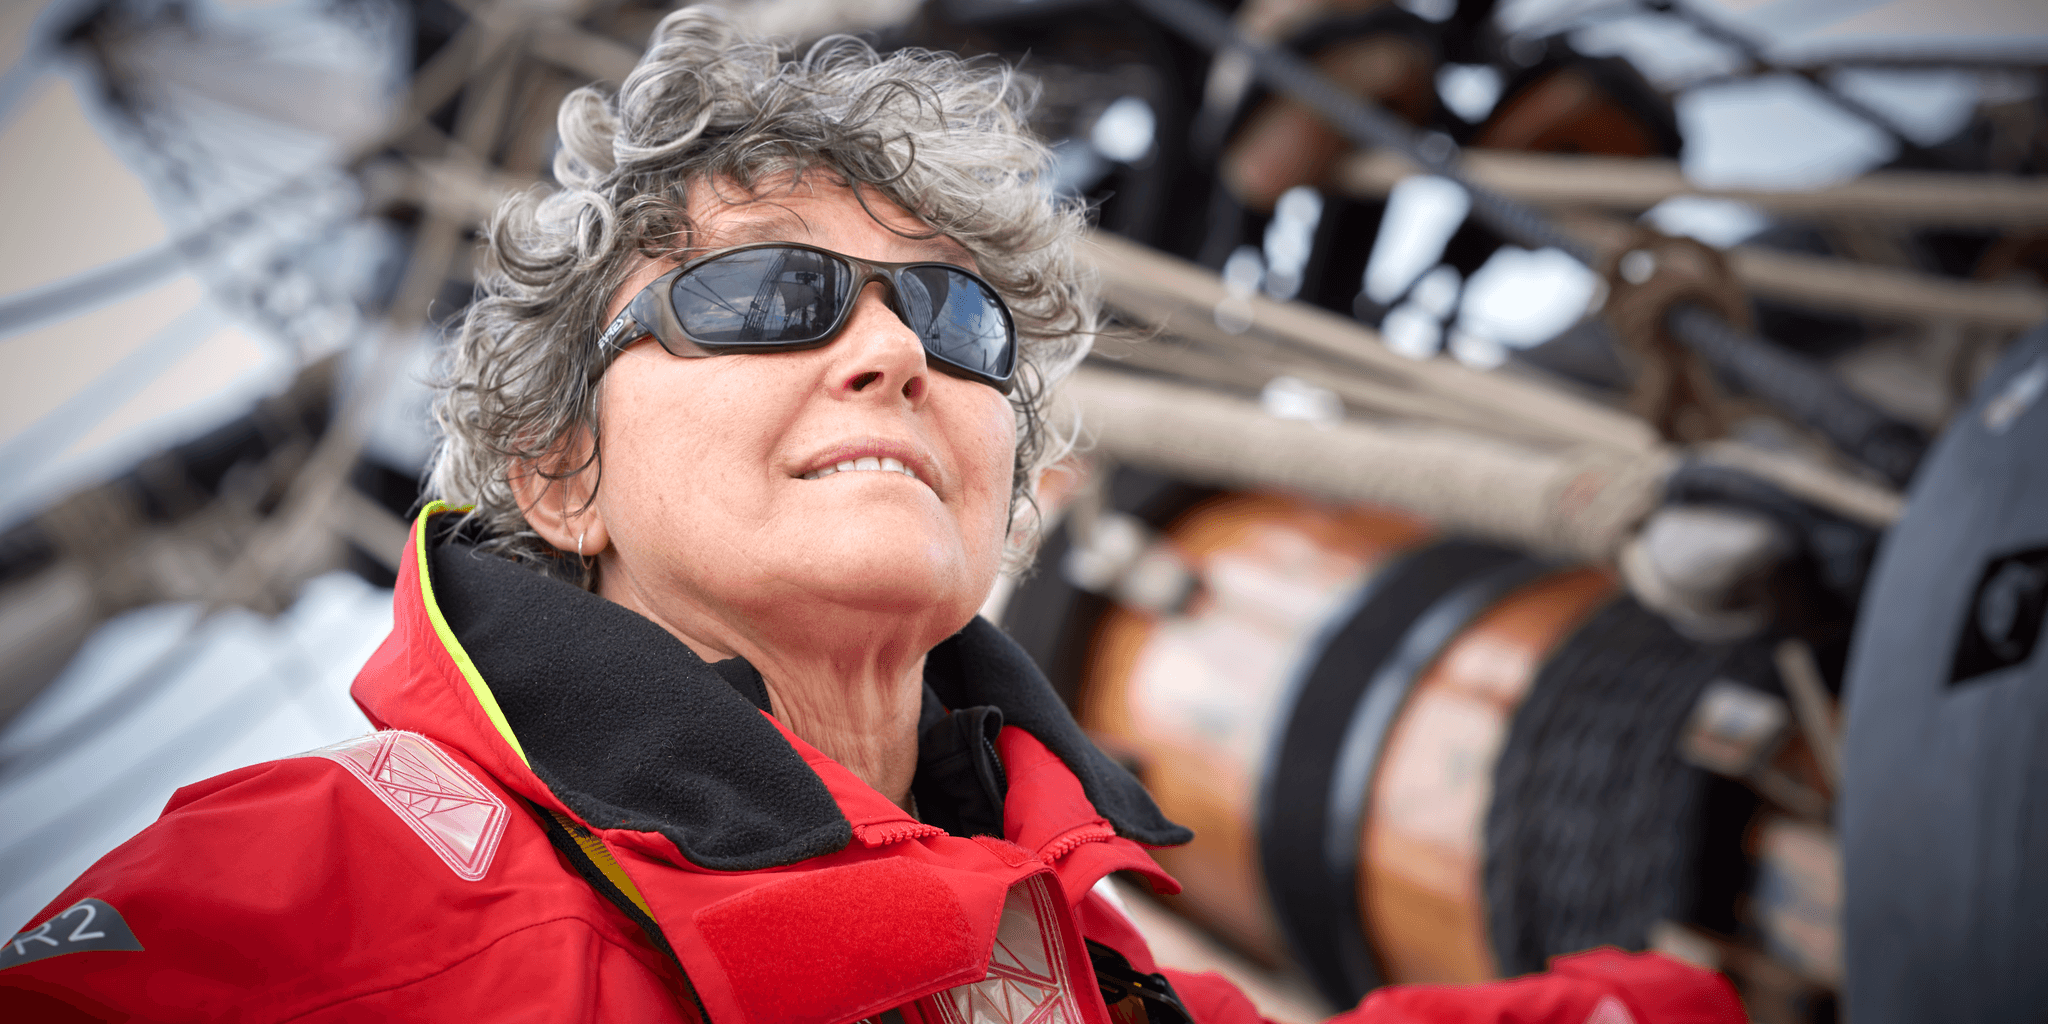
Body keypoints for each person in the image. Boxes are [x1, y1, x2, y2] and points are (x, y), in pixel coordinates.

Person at [1, 9, 1745, 1023]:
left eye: (960, 321)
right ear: (559, 472)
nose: (897, 352)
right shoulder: (328, 898)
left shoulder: (1082, 956)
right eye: (771, 295)